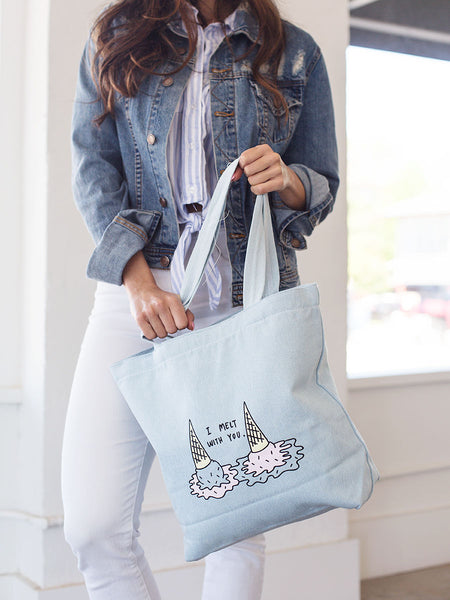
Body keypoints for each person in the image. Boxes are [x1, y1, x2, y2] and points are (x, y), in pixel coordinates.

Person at [60, 0, 339, 598]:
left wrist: (288, 181)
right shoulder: (119, 34)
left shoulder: (294, 49)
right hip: (139, 293)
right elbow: (93, 169)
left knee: (238, 521)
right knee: (93, 527)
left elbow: (319, 180)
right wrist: (137, 282)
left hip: (247, 298)